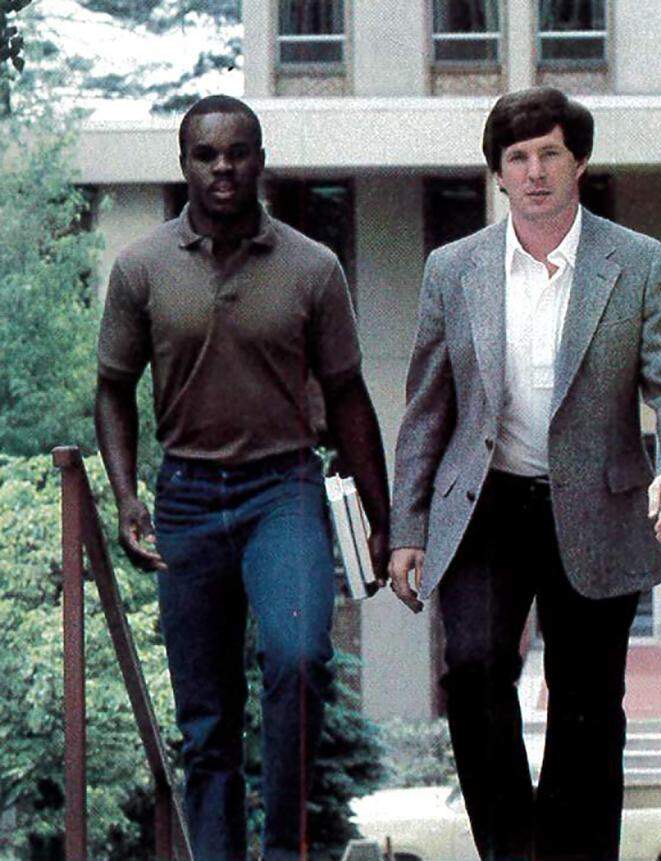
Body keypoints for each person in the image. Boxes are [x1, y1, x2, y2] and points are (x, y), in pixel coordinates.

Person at [387, 86, 661, 861]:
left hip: (597, 502)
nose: (535, 172)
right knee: (473, 669)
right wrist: (407, 527)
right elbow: (427, 408)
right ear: (499, 173)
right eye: (518, 158)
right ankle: (512, 850)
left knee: (588, 701)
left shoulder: (636, 262)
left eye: (550, 154)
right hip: (485, 505)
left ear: (580, 162)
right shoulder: (453, 269)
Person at [95, 95, 390, 861]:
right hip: (187, 499)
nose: (223, 167)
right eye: (206, 154)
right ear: (184, 163)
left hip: (282, 492)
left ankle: (286, 849)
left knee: (300, 656)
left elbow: (348, 394)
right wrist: (127, 497)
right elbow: (113, 389)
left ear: (260, 159)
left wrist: (381, 514)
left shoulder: (312, 267)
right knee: (207, 719)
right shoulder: (141, 267)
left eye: (238, 152)